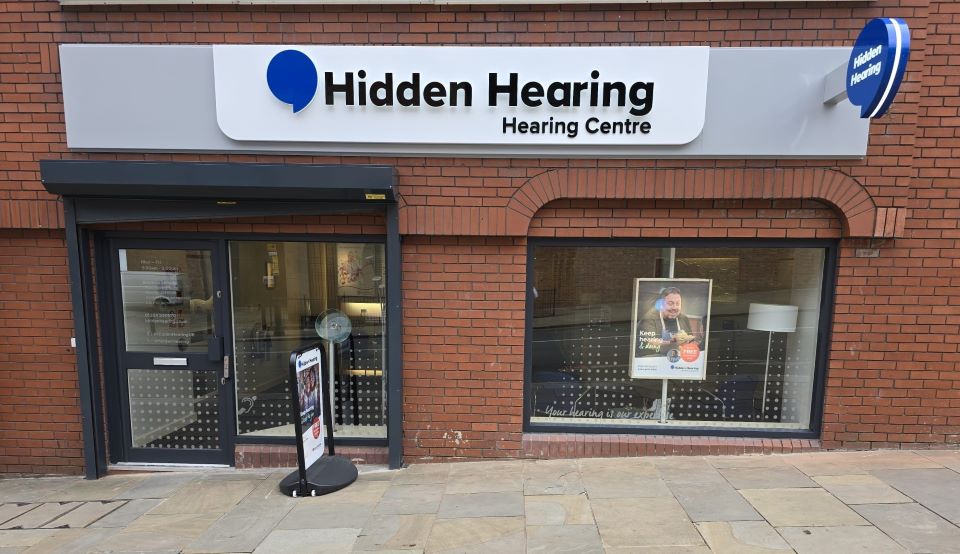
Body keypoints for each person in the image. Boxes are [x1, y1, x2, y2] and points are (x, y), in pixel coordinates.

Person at [635, 286, 704, 356]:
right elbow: (649, 343)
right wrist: (672, 342)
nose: (674, 307)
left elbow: (690, 342)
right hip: (654, 360)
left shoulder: (683, 318)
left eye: (677, 304)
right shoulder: (649, 319)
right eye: (670, 304)